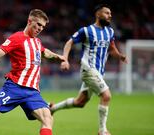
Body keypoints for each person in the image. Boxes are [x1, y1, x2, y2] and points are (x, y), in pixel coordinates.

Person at [49, 4, 127, 135]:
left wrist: (119, 56)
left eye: (110, 13)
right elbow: (69, 42)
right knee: (106, 96)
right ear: (98, 14)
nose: (110, 15)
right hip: (89, 69)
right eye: (107, 13)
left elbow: (112, 48)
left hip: (98, 73)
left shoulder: (110, 31)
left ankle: (52, 109)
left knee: (80, 102)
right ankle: (102, 131)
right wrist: (65, 59)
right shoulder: (86, 31)